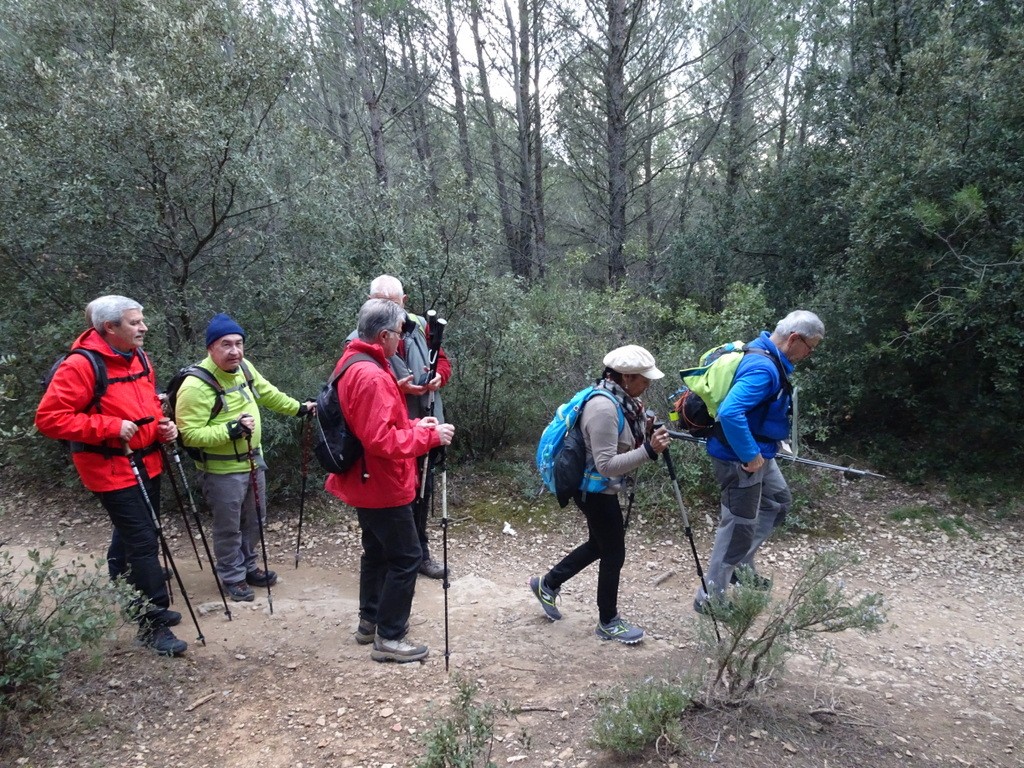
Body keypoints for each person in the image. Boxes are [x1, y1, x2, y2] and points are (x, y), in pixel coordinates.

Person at [35, 295, 187, 657]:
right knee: (144, 541)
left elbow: (145, 402)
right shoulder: (81, 366)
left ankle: (123, 582)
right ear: (110, 328)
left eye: (141, 320)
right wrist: (109, 427)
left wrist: (163, 427)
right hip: (110, 468)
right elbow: (50, 419)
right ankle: (152, 623)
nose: (144, 327)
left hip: (147, 461)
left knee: (135, 529)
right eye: (135, 322)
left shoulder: (138, 357)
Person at [327, 298, 454, 663]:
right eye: (399, 334)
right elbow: (381, 441)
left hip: (366, 479)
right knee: (407, 557)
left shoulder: (356, 362)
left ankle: (369, 622)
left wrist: (416, 424)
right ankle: (390, 637)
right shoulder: (371, 375)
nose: (402, 341)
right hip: (381, 483)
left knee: (378, 552)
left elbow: (377, 428)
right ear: (383, 335)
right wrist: (429, 437)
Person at [528, 345, 671, 644]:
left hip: (597, 488)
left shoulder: (622, 401)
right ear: (627, 377)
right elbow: (606, 466)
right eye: (644, 379)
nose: (648, 384)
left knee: (599, 544)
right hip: (593, 490)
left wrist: (643, 435)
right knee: (613, 552)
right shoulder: (604, 408)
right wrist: (649, 450)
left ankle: (548, 583)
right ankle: (608, 621)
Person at [175, 313, 315, 603]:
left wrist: (299, 408)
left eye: (238, 344)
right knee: (228, 526)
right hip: (220, 470)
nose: (234, 351)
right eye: (226, 344)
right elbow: (188, 434)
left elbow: (268, 394)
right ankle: (232, 576)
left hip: (253, 461)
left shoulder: (245, 369)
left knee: (255, 520)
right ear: (210, 348)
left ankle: (248, 566)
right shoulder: (194, 386)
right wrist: (230, 431)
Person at [693, 310, 825, 614]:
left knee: (777, 502)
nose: (810, 354)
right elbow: (730, 412)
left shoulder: (764, 352)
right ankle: (710, 597)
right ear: (794, 339)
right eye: (811, 347)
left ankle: (740, 568)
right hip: (740, 460)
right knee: (737, 527)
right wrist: (751, 455)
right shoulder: (763, 368)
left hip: (761, 452)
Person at [359, 274, 452, 580]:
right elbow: (363, 393)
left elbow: (442, 360)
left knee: (422, 490)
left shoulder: (421, 326)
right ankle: (389, 558)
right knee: (391, 496)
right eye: (380, 301)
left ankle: (418, 552)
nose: (387, 307)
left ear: (404, 301)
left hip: (424, 420)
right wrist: (398, 390)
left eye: (393, 302)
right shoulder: (361, 335)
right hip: (392, 430)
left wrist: (439, 376)